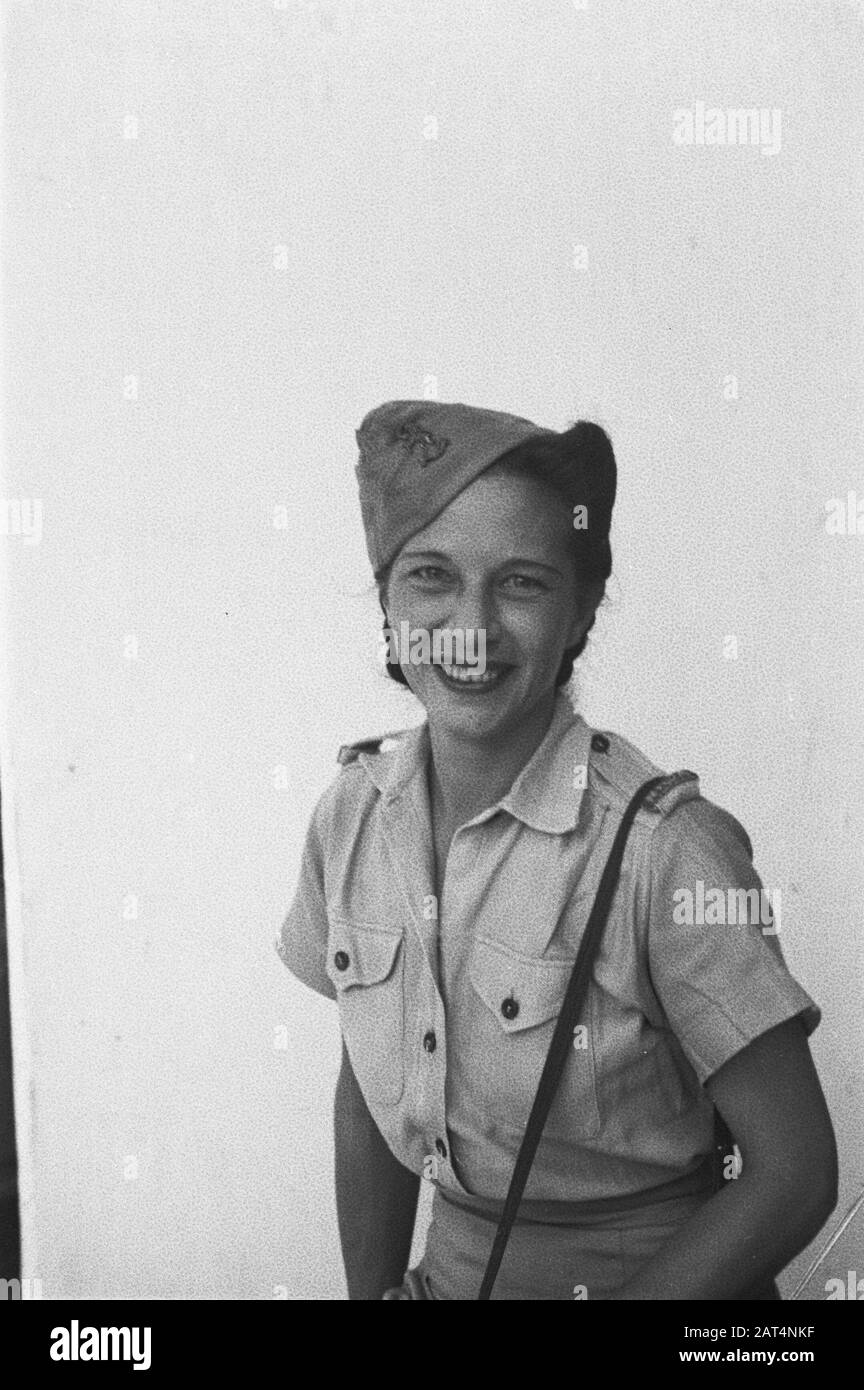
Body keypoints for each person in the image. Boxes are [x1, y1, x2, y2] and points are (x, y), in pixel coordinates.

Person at [276, 399, 837, 1300]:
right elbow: (367, 1095)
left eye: (523, 583)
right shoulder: (350, 819)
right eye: (430, 576)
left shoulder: (666, 850)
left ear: (580, 613)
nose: (473, 628)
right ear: (386, 601)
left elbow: (796, 1171)